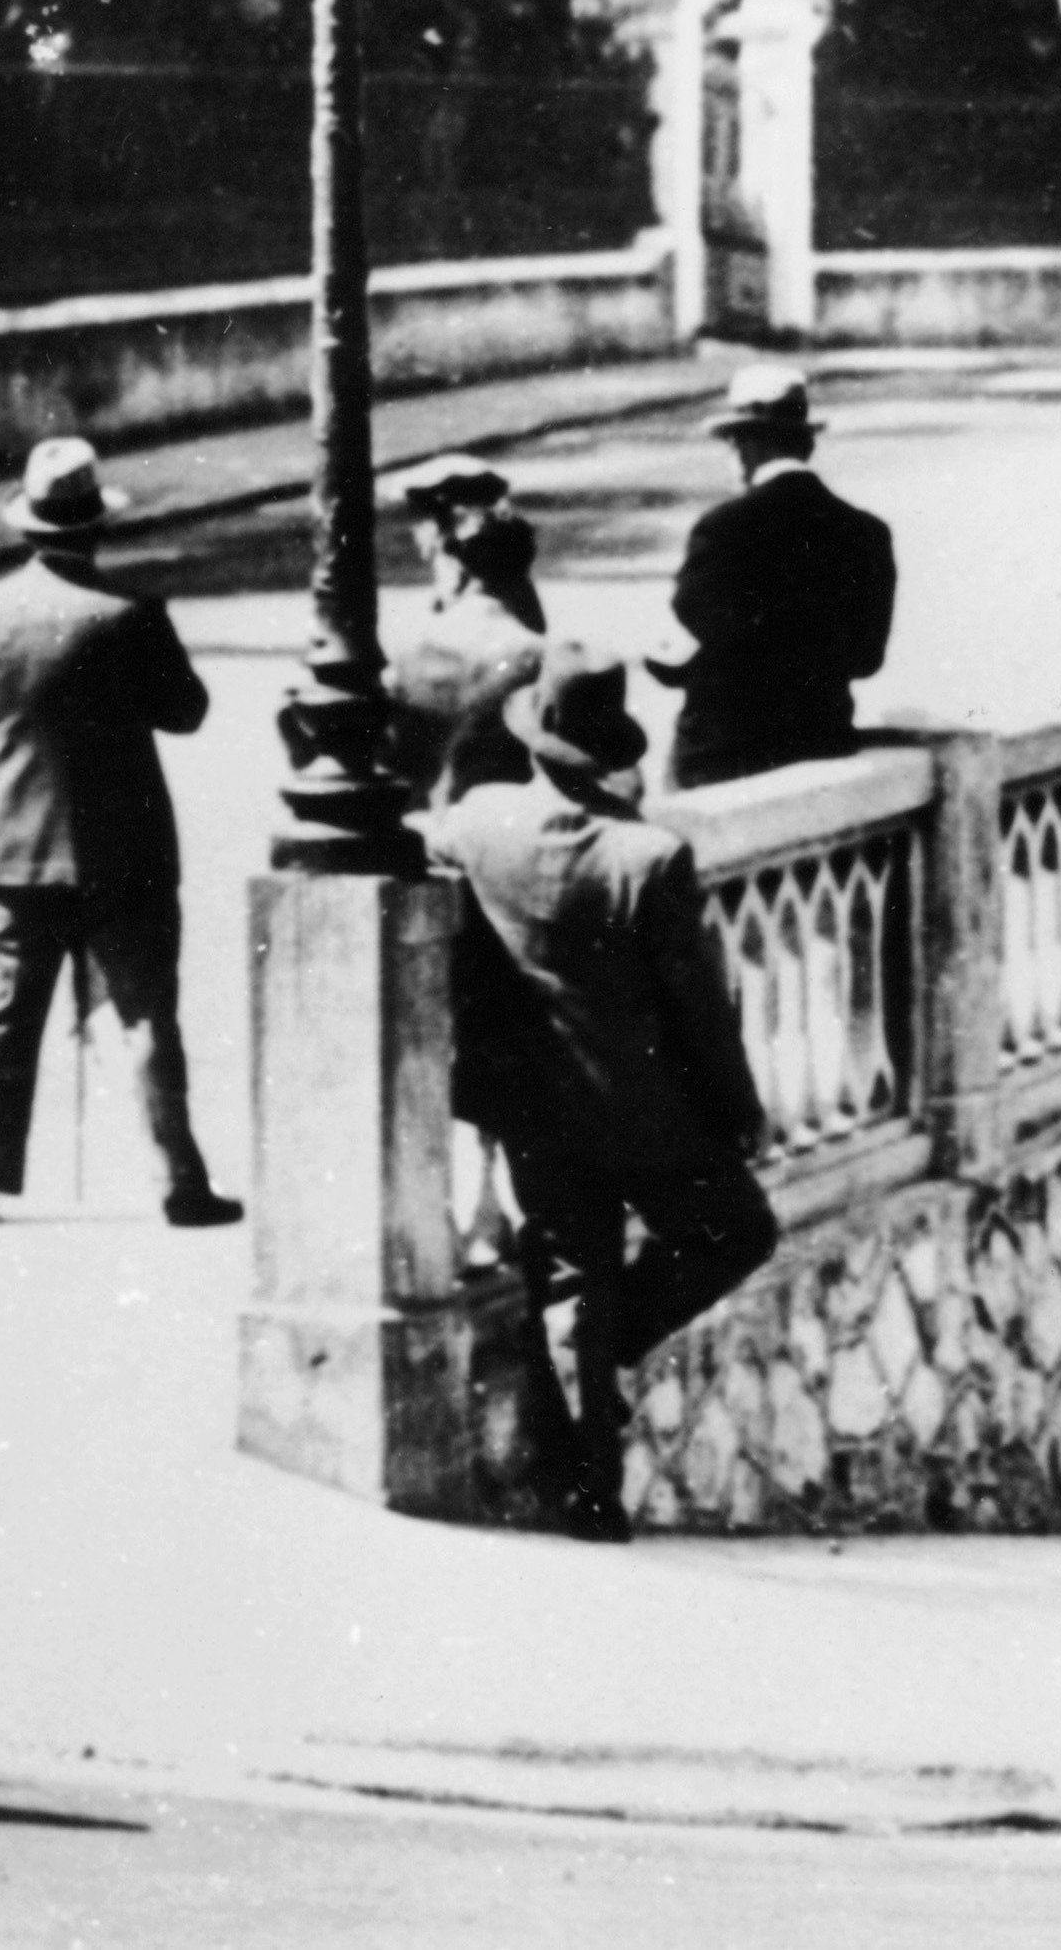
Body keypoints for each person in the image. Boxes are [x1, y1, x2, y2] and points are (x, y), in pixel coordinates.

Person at [428, 642, 782, 1538]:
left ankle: (591, 1491)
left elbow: (425, 830)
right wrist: (739, 1113)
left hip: (536, 1108)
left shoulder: (480, 826)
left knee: (571, 1276)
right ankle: (608, 1343)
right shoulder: (649, 856)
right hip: (648, 1114)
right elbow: (702, 1012)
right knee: (737, 1230)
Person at [0, 437, 241, 1229]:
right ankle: (179, 1179)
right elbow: (186, 710)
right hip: (126, 852)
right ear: (94, 528)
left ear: (26, 527)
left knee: (6, 1014)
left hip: (18, 849)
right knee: (146, 1014)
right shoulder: (132, 614)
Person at [647, 364, 896, 789]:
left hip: (725, 754)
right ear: (808, 443)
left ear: (745, 445)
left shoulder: (723, 527)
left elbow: (694, 632)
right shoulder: (866, 532)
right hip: (822, 743)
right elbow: (866, 659)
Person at [385, 456, 548, 810]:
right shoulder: (515, 589)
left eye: (418, 518)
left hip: (458, 794)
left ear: (437, 528)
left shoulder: (429, 637)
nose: (414, 531)